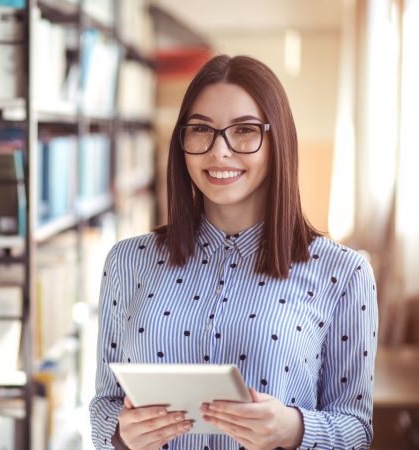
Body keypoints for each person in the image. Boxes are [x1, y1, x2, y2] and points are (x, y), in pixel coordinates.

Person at [89, 54, 378, 450]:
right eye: (201, 130)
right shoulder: (127, 262)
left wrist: (292, 429)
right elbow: (103, 405)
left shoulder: (343, 273)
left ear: (279, 142)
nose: (219, 152)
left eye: (244, 131)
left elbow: (356, 430)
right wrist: (120, 434)